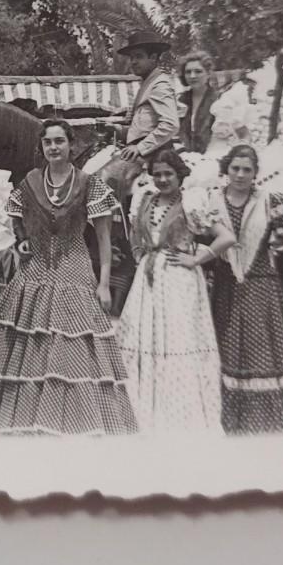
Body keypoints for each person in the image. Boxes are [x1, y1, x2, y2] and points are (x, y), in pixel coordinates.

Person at [0, 119, 138, 435]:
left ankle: (70, 418)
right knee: (32, 343)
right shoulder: (30, 182)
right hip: (35, 270)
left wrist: (103, 283)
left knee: (69, 342)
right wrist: (23, 243)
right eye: (48, 142)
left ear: (71, 145)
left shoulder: (89, 184)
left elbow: (103, 239)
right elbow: (15, 223)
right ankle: (29, 417)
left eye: (60, 141)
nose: (54, 147)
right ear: (42, 147)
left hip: (75, 268)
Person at [210, 144, 283, 434]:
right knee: (226, 352)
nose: (240, 175)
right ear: (226, 169)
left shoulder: (268, 200)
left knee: (262, 351)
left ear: (255, 173)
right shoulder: (210, 201)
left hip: (262, 287)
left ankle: (270, 422)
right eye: (235, 168)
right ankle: (232, 422)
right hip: (224, 287)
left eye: (247, 170)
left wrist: (278, 242)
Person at [116, 149, 234, 433]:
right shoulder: (144, 200)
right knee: (145, 338)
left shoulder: (192, 202)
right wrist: (141, 255)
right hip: (149, 278)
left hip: (180, 279)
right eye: (157, 174)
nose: (162, 179)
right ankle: (143, 409)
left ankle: (179, 411)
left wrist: (196, 258)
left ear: (180, 175)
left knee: (177, 339)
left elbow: (227, 238)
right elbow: (134, 234)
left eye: (168, 173)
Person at [112, 30, 180, 201]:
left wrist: (140, 147)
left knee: (102, 181)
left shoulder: (160, 84)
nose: (133, 62)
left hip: (152, 154)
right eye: (131, 57)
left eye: (139, 56)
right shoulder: (147, 82)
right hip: (137, 151)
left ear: (154, 57)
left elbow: (171, 125)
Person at [178, 50, 219, 153]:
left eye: (198, 71)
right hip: (185, 156)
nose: (192, 76)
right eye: (188, 72)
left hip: (211, 155)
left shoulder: (219, 100)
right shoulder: (181, 100)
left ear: (208, 73)